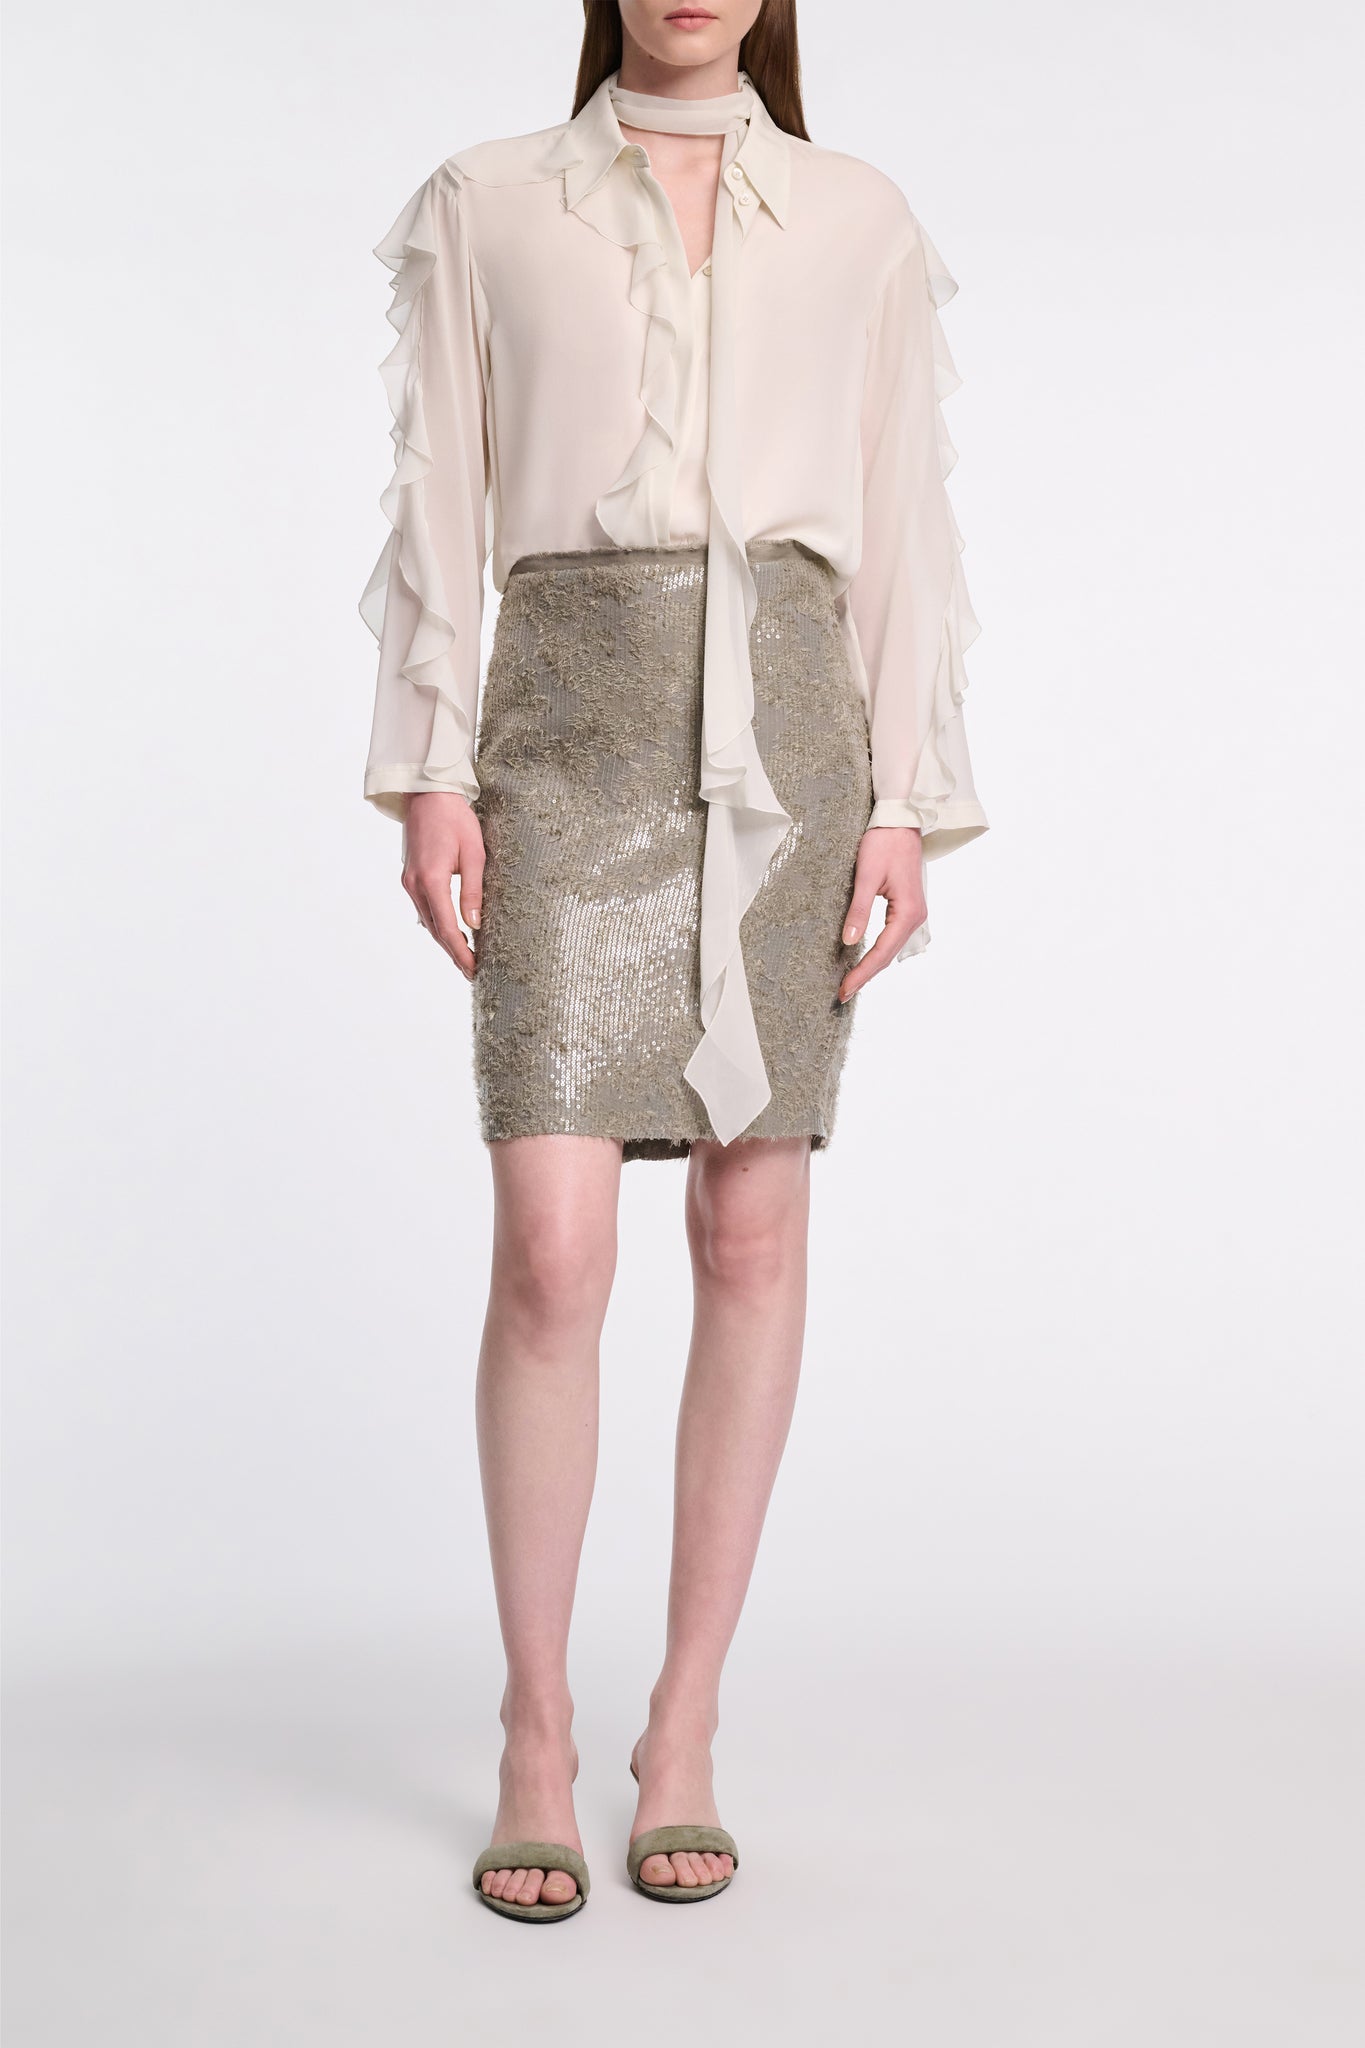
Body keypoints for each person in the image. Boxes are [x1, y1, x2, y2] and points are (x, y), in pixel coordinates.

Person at [359, 0, 988, 1921]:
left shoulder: (860, 216)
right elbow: (438, 499)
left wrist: (902, 797)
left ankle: (684, 1725)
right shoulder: (486, 199)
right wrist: (431, 768)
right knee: (552, 1248)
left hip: (788, 742)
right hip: (563, 732)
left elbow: (902, 521)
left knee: (750, 1232)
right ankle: (536, 1730)